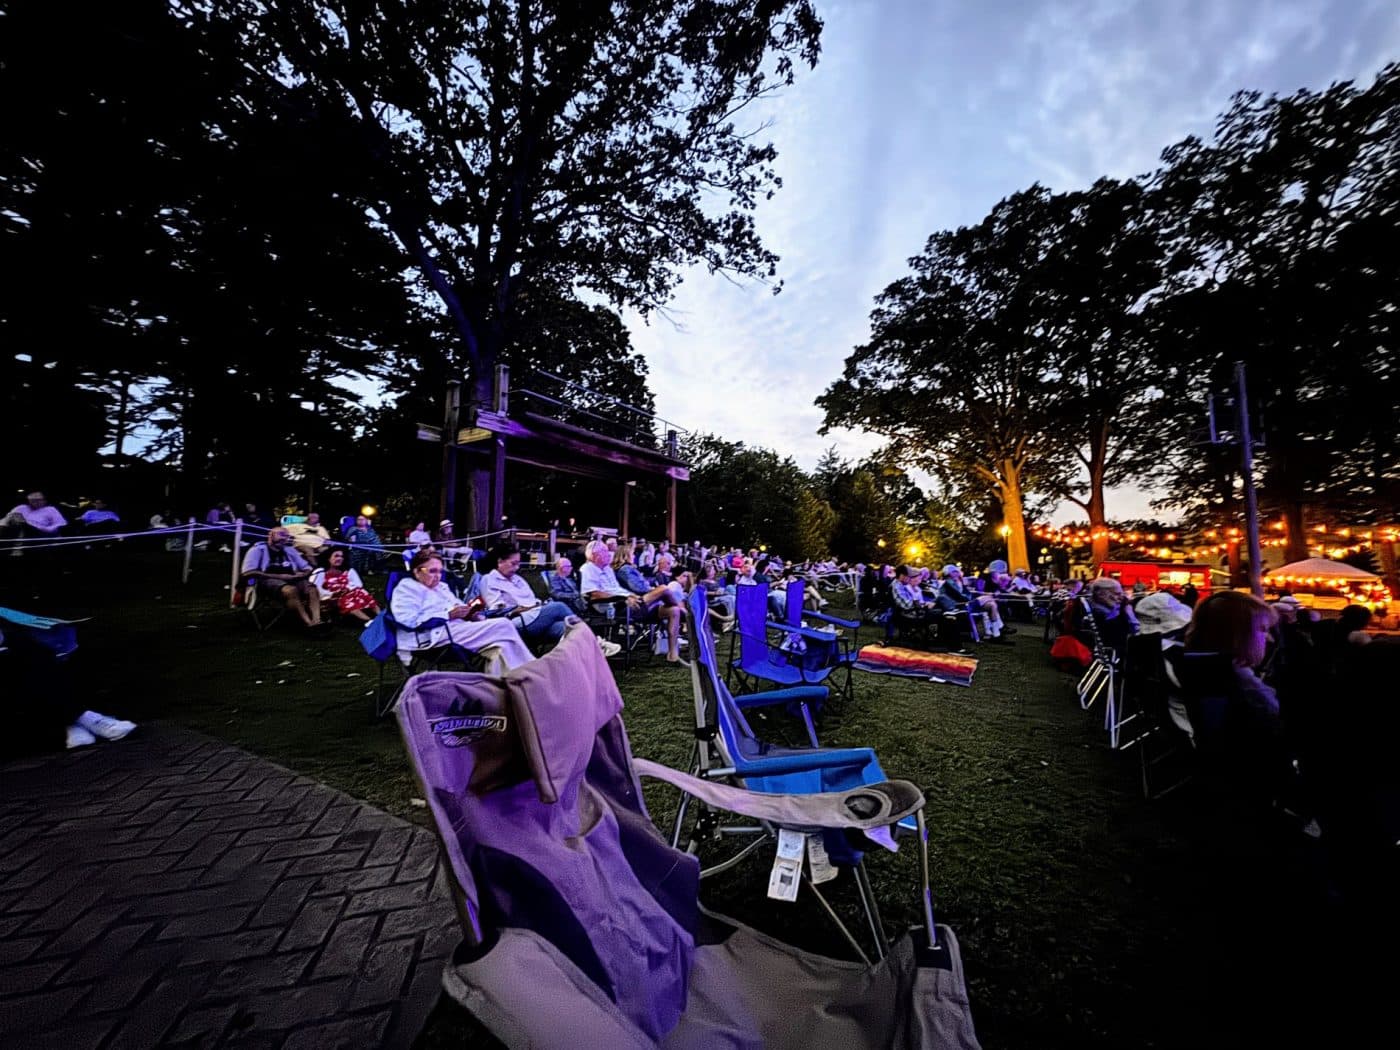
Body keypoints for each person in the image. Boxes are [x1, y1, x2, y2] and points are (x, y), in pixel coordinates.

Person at [390, 551, 533, 671]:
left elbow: (458, 605)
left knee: (501, 646)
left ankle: (502, 687)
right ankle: (531, 668)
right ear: (416, 571)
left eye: (440, 571)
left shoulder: (441, 587)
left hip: (457, 629)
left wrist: (471, 614)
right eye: (432, 571)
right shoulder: (407, 588)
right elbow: (407, 620)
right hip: (431, 637)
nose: (437, 576)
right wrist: (448, 615)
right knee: (503, 624)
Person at [580, 539, 683, 662]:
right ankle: (687, 616)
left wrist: (630, 595)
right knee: (664, 589)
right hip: (618, 608)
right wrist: (625, 598)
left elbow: (618, 589)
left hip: (631, 602)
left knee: (673, 610)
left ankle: (672, 655)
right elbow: (594, 595)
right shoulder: (587, 569)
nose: (609, 554)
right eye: (605, 552)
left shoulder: (607, 569)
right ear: (594, 555)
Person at [479, 543, 575, 647]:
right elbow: (496, 611)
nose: (517, 567)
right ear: (500, 561)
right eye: (513, 563)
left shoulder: (518, 579)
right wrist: (524, 609)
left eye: (518, 564)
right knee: (559, 607)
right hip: (516, 623)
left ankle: (583, 655)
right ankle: (589, 636)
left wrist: (537, 605)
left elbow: (532, 599)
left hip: (535, 618)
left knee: (567, 630)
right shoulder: (489, 579)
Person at [241, 526, 324, 629]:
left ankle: (317, 620)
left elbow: (306, 567)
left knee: (312, 588)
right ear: (271, 535)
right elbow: (248, 572)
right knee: (290, 590)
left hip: (292, 579)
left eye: (287, 536)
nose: (284, 538)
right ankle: (308, 623)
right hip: (266, 581)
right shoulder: (257, 550)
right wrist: (279, 576)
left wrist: (303, 574)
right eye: (281, 535)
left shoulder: (289, 550)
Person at [939, 565, 1009, 642]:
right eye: (954, 572)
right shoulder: (949, 582)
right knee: (989, 598)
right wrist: (975, 598)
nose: (957, 573)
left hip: (968, 604)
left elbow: (966, 594)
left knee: (992, 605)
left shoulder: (957, 582)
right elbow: (961, 596)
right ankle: (1000, 627)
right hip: (961, 606)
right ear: (948, 573)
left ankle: (996, 634)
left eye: (957, 571)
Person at [311, 547, 379, 623]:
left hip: (350, 592)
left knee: (363, 593)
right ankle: (369, 620)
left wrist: (347, 589)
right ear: (328, 558)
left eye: (341, 556)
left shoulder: (348, 570)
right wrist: (333, 594)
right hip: (333, 597)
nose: (340, 558)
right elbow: (318, 588)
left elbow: (358, 584)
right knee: (346, 600)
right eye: (336, 556)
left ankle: (380, 616)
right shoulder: (321, 572)